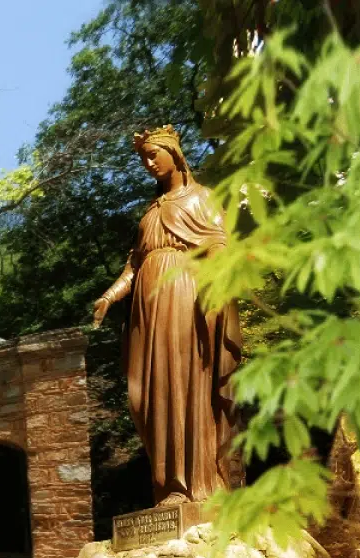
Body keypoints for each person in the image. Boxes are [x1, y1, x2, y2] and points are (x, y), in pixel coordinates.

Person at [92, 124, 241, 506]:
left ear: (174, 154)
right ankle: (167, 486)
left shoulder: (202, 198)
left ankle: (197, 485)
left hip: (184, 296)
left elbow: (219, 246)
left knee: (184, 382)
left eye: (153, 154)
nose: (148, 163)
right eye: (143, 158)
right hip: (148, 309)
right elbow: (135, 266)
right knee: (149, 394)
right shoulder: (150, 213)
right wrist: (110, 296)